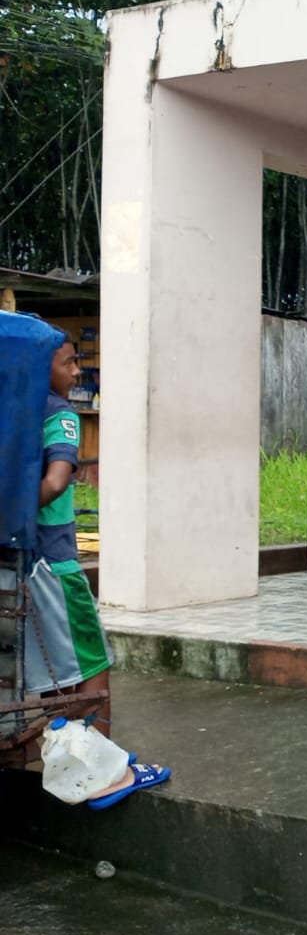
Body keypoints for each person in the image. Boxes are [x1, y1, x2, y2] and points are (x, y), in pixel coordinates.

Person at [33, 333, 169, 808]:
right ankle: (106, 775)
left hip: (19, 560)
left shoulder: (14, 413)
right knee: (93, 663)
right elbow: (56, 480)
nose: (77, 373)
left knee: (48, 666)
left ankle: (61, 754)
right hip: (55, 561)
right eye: (69, 364)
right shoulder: (59, 415)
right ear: (43, 367)